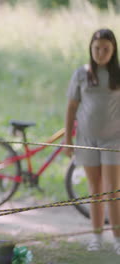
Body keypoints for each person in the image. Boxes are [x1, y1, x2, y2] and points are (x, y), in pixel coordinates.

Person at [64, 28, 120, 255]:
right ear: (90, 48)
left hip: (114, 140)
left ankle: (117, 239)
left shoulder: (117, 74)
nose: (101, 53)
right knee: (94, 189)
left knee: (112, 190)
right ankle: (96, 237)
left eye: (106, 49)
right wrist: (68, 139)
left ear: (113, 50)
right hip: (86, 139)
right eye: (97, 48)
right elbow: (71, 108)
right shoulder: (81, 74)